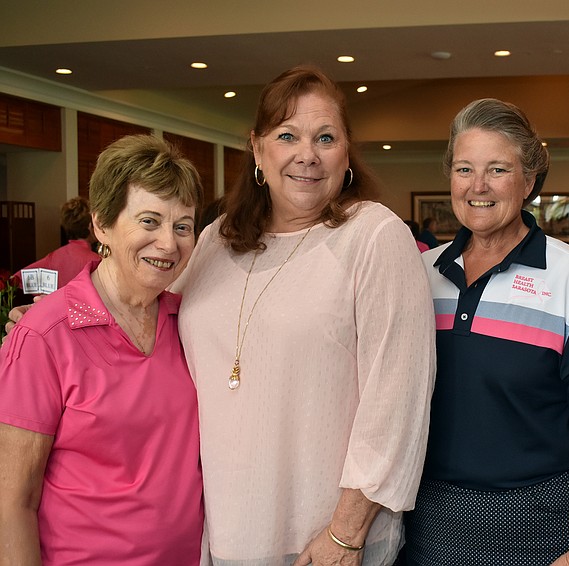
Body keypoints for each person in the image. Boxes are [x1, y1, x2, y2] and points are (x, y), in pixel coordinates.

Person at [173, 66, 435, 565]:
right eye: (287, 135)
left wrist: (346, 533)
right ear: (257, 149)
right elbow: (150, 327)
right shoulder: (215, 239)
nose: (307, 155)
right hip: (221, 528)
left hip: (324, 538)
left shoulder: (374, 236)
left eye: (326, 137)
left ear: (346, 153)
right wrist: (56, 320)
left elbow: (397, 401)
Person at [403, 98, 569, 566]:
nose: (478, 186)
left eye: (497, 170)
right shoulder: (418, 275)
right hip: (432, 527)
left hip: (545, 529)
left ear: (529, 181)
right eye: (465, 169)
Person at [0, 134, 204, 564]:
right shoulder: (44, 335)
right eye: (149, 221)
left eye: (182, 225)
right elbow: (11, 504)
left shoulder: (190, 322)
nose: (169, 243)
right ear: (101, 225)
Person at [14, 196, 99, 289]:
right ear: (90, 225)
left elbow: (15, 280)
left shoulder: (53, 258)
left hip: (58, 303)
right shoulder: (96, 261)